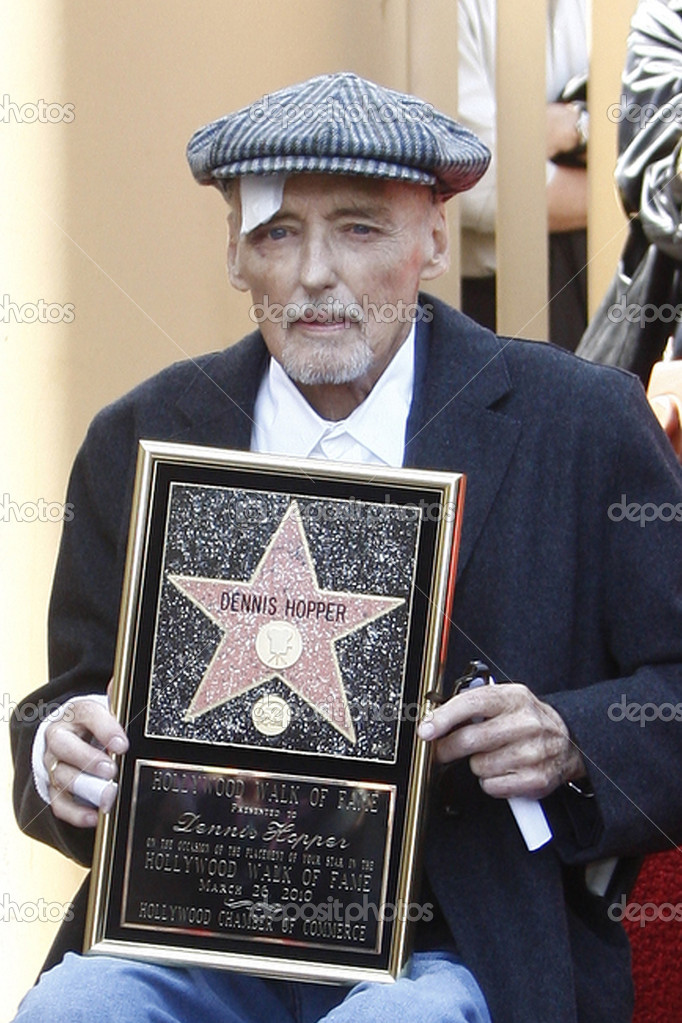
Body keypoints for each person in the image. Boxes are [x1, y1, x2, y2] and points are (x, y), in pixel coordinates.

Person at [9, 72, 682, 1023]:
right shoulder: (144, 433)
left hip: (456, 944)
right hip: (192, 931)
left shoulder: (582, 423)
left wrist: (572, 738)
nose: (317, 271)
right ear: (236, 254)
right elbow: (64, 701)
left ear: (433, 240)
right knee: (73, 1010)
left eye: (360, 228)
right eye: (279, 232)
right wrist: (56, 757)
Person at [458, 0, 589, 348]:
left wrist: (577, 126)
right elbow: (473, 181)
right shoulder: (445, 11)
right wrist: (628, 191)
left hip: (586, 280)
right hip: (478, 300)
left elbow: (651, 133)